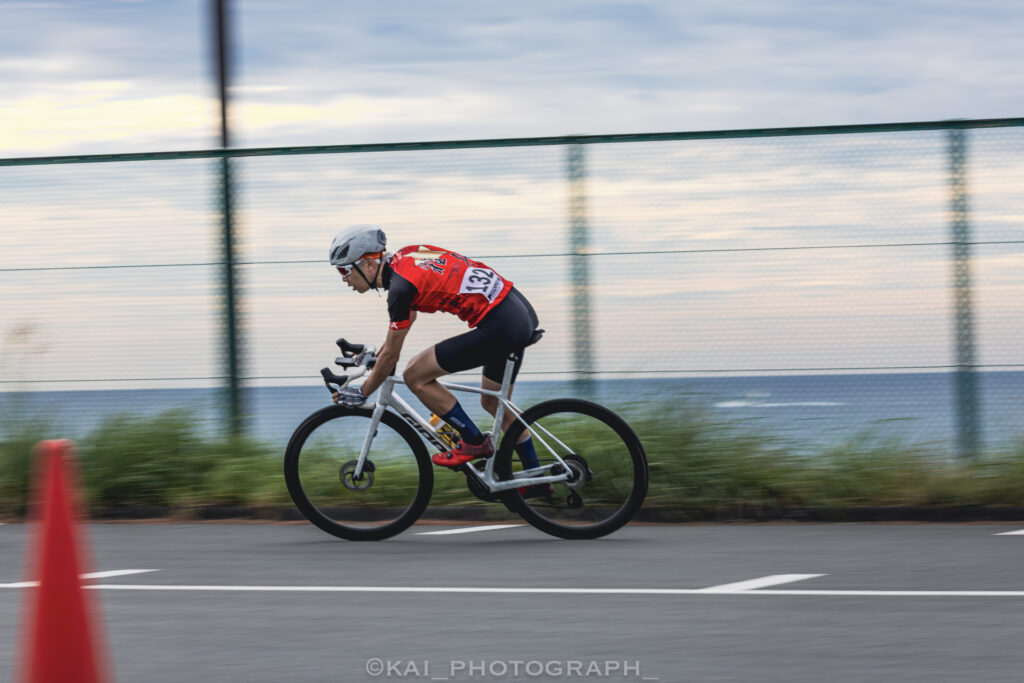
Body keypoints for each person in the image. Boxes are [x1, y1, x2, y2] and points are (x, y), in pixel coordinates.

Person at [327, 224, 541, 471]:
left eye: (344, 270)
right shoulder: (407, 257)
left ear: (368, 264)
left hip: (502, 324)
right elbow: (401, 329)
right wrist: (379, 355)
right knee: (493, 404)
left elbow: (392, 356)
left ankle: (473, 442)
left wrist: (363, 392)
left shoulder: (400, 289)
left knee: (414, 375)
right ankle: (535, 475)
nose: (343, 278)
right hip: (516, 312)